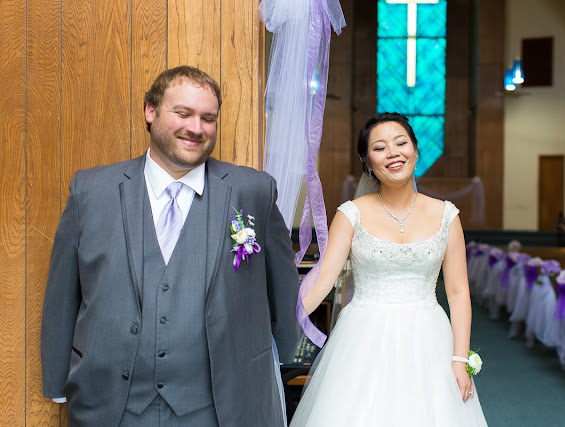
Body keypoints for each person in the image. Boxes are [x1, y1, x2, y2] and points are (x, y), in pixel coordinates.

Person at [41, 65, 301, 426]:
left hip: (221, 407)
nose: (196, 128)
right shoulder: (91, 191)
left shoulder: (252, 190)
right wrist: (57, 380)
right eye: (183, 113)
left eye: (208, 118)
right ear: (151, 111)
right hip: (111, 405)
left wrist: (289, 356)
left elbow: (283, 288)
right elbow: (63, 294)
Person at [290, 113, 487, 426]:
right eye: (379, 148)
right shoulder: (350, 214)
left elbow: (458, 291)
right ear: (368, 162)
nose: (393, 153)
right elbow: (324, 279)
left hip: (429, 339)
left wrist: (460, 358)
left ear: (415, 150)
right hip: (364, 338)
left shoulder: (446, 215)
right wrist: (280, 321)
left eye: (401, 143)